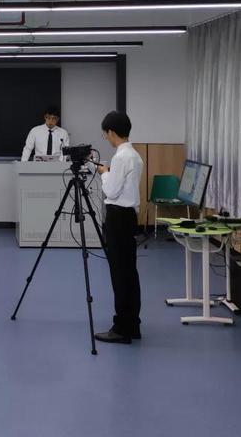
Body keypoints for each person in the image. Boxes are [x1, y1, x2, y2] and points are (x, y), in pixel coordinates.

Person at [95, 111, 144, 344]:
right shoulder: (134, 155)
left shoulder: (120, 157)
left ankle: (121, 328)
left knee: (119, 274)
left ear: (111, 132)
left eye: (105, 134)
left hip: (118, 217)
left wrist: (104, 173)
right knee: (129, 273)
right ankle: (132, 324)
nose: (106, 138)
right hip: (129, 216)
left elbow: (111, 191)